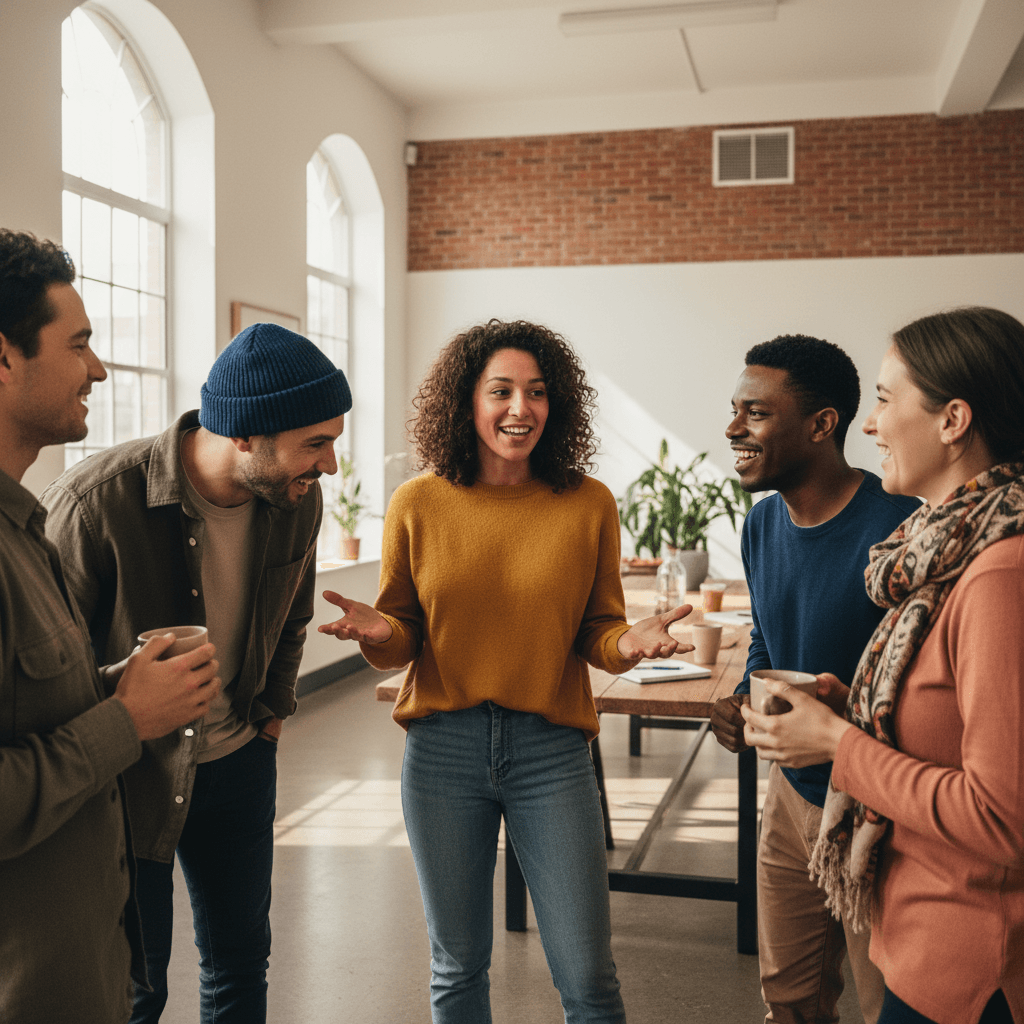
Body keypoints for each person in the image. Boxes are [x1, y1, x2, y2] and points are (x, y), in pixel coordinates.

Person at [319, 318, 689, 1023]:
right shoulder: (418, 504)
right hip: (442, 751)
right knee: (457, 968)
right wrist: (377, 634)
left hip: (551, 750)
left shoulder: (588, 503)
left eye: (538, 392)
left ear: (558, 406)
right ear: (466, 402)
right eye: (502, 391)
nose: (521, 409)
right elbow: (404, 637)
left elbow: (596, 633)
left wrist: (628, 644)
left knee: (588, 975)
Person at [41, 322, 352, 1023]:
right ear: (246, 434)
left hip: (241, 761)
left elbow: (293, 614)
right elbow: (46, 671)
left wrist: (272, 711)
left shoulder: (294, 498)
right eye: (316, 443)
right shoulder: (93, 505)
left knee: (241, 965)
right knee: (137, 987)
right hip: (128, 782)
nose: (330, 465)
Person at [743, 308, 1024, 1024]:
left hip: (965, 959)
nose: (871, 426)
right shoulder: (935, 553)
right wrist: (849, 716)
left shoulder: (994, 574)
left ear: (953, 419)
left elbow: (1002, 816)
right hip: (923, 920)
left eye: (888, 400)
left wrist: (841, 743)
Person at [0, 229, 220, 1023]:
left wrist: (117, 686)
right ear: (3, 358)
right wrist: (129, 718)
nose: (97, 368)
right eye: (81, 343)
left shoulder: (26, 528)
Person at [710, 334, 920, 1024]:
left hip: (879, 806)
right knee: (790, 998)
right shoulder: (762, 523)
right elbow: (768, 637)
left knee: (882, 1001)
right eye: (735, 410)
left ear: (822, 425)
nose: (734, 428)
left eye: (756, 414)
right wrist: (746, 700)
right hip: (791, 798)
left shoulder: (901, 528)